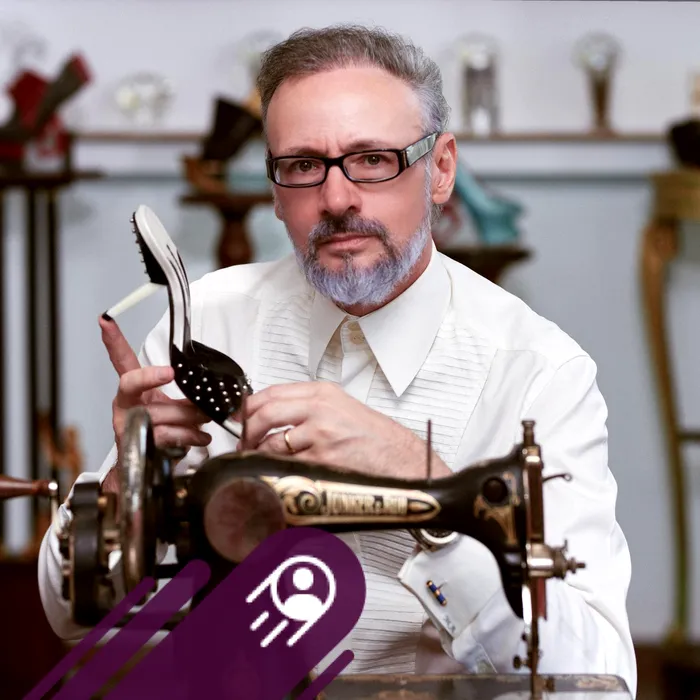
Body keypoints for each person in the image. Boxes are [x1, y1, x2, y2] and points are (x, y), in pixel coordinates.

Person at [37, 24, 636, 693]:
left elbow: (595, 680)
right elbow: (74, 618)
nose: (337, 198)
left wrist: (422, 481)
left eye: (373, 159)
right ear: (275, 191)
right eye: (302, 166)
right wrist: (124, 486)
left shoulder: (539, 374)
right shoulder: (205, 325)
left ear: (440, 170)